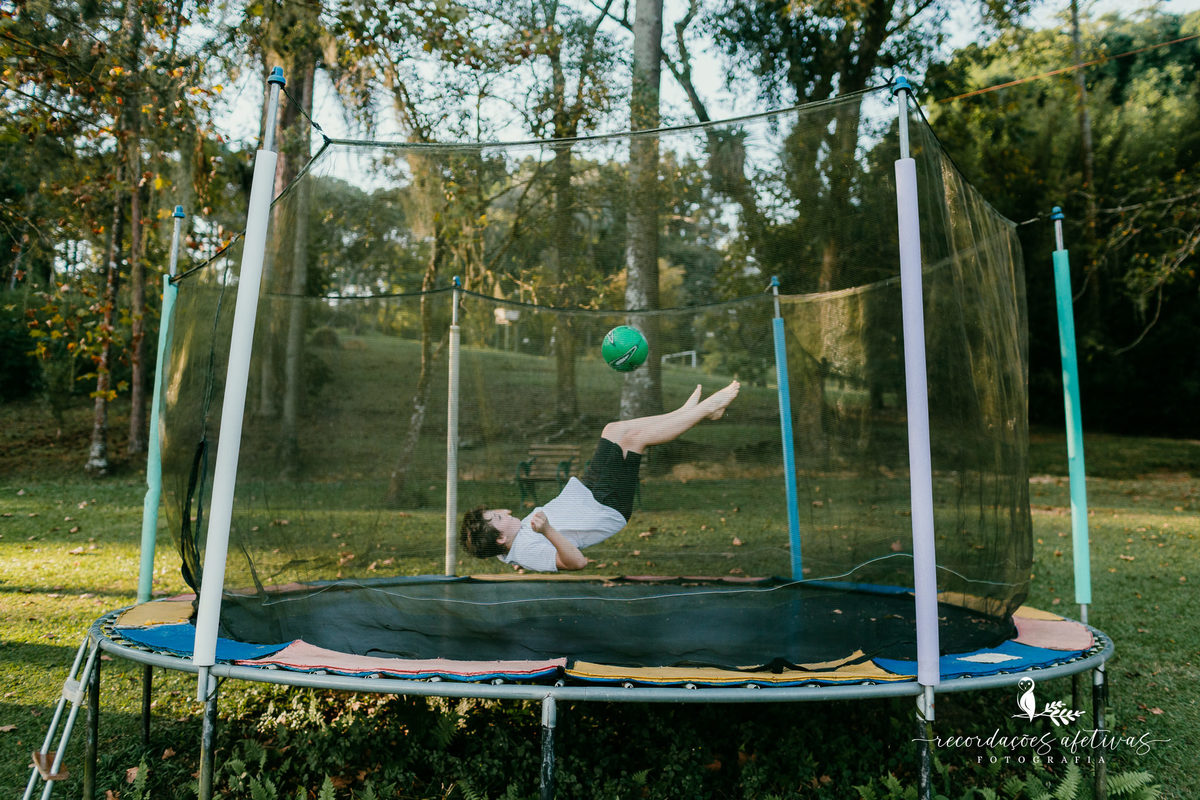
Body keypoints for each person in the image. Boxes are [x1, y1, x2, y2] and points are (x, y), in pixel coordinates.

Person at [460, 381, 740, 572]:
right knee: (635, 440)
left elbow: (497, 550)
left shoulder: (506, 545)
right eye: (497, 517)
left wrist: (500, 543)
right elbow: (576, 563)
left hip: (586, 494)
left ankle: (683, 413)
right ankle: (706, 409)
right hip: (605, 506)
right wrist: (546, 531)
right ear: (499, 537)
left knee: (613, 430)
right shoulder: (527, 548)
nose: (503, 512)